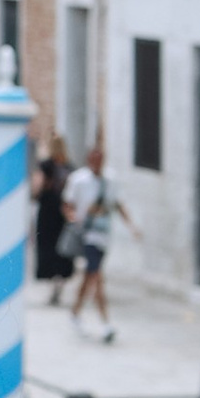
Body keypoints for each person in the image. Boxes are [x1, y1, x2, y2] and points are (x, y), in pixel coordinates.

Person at [65, 136, 119, 339]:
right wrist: (77, 218)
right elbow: (68, 205)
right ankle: (106, 323)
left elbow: (116, 204)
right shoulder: (78, 180)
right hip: (88, 235)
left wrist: (131, 226)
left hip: (104, 235)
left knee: (90, 276)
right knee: (97, 277)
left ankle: (75, 312)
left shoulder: (110, 180)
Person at [32, 135, 75, 298]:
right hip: (64, 212)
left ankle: (51, 282)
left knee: (47, 246)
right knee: (62, 248)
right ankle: (60, 280)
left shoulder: (45, 166)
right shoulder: (70, 167)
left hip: (47, 211)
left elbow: (37, 188)